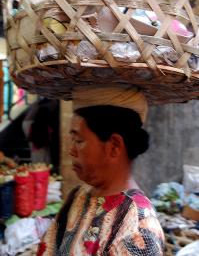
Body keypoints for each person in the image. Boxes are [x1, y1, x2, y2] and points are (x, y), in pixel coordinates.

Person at [37, 85, 165, 256]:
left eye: (79, 140)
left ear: (114, 146)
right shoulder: (78, 196)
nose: (71, 150)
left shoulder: (139, 230)